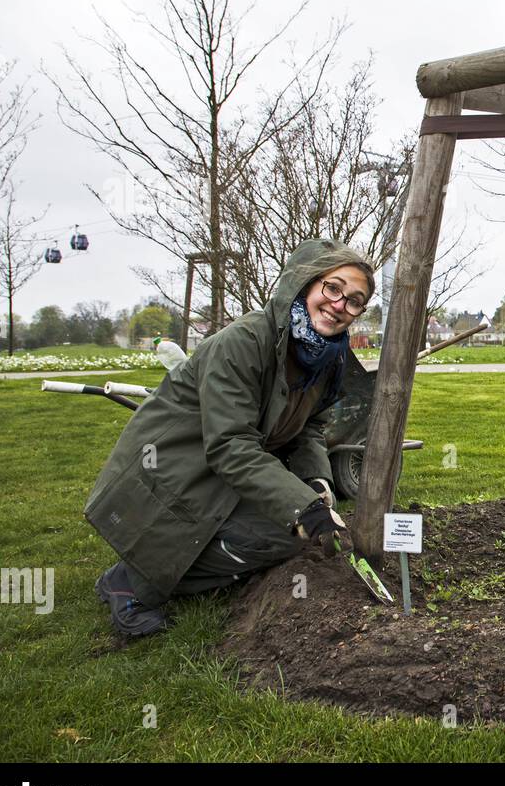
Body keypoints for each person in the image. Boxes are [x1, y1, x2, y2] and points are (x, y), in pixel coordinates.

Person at [85, 239, 374, 637]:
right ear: (304, 284)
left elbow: (309, 427)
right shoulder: (244, 342)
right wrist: (301, 508)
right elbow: (229, 444)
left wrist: (316, 482)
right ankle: (131, 581)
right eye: (333, 288)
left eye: (355, 300)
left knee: (285, 538)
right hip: (177, 469)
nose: (341, 305)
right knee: (287, 528)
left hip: (229, 472)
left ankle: (169, 567)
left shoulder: (329, 357)